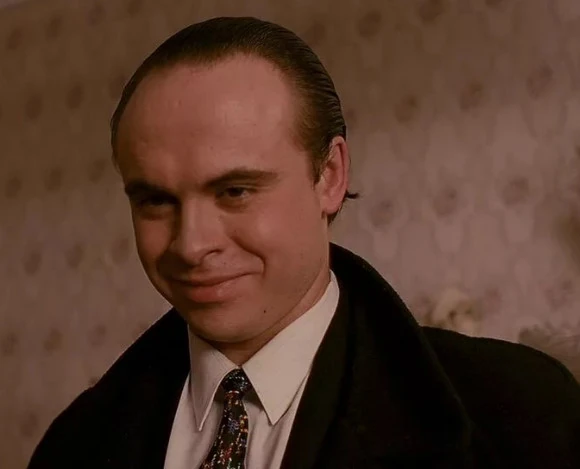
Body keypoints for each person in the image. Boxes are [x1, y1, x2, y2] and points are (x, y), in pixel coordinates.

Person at [28, 17, 580, 469]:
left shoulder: (517, 408)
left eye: (235, 191)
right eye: (155, 201)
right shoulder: (74, 443)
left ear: (329, 176)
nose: (191, 246)